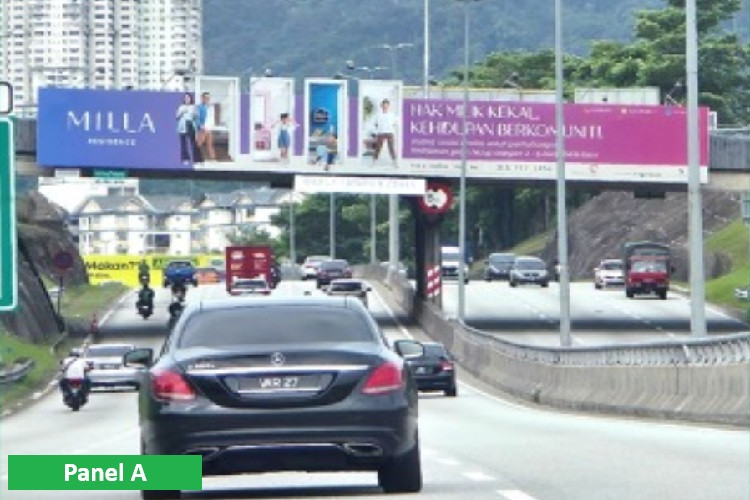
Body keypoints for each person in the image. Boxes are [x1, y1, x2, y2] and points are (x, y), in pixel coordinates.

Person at [176, 93, 203, 165]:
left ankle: (197, 160)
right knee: (184, 144)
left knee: (194, 143)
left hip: (190, 125)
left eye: (188, 98)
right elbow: (177, 117)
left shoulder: (193, 107)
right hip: (182, 126)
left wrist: (195, 115)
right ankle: (185, 159)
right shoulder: (181, 107)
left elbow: (196, 117)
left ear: (191, 99)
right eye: (185, 98)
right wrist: (181, 112)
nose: (187, 99)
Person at [372, 99, 399, 165]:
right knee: (378, 147)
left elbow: (395, 123)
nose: (385, 106)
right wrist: (380, 128)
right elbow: (375, 124)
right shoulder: (378, 115)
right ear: (382, 106)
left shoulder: (392, 114)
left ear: (388, 106)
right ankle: (374, 161)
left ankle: (394, 161)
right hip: (381, 132)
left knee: (391, 147)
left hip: (390, 132)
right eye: (384, 105)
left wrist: (390, 127)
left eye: (386, 105)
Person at [196, 92, 216, 161]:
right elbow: (197, 118)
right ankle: (196, 158)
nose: (208, 99)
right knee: (199, 144)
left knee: (209, 145)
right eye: (206, 97)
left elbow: (211, 118)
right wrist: (201, 126)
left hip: (208, 128)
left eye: (209, 98)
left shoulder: (211, 107)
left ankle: (213, 158)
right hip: (202, 128)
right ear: (202, 98)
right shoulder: (199, 107)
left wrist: (211, 127)